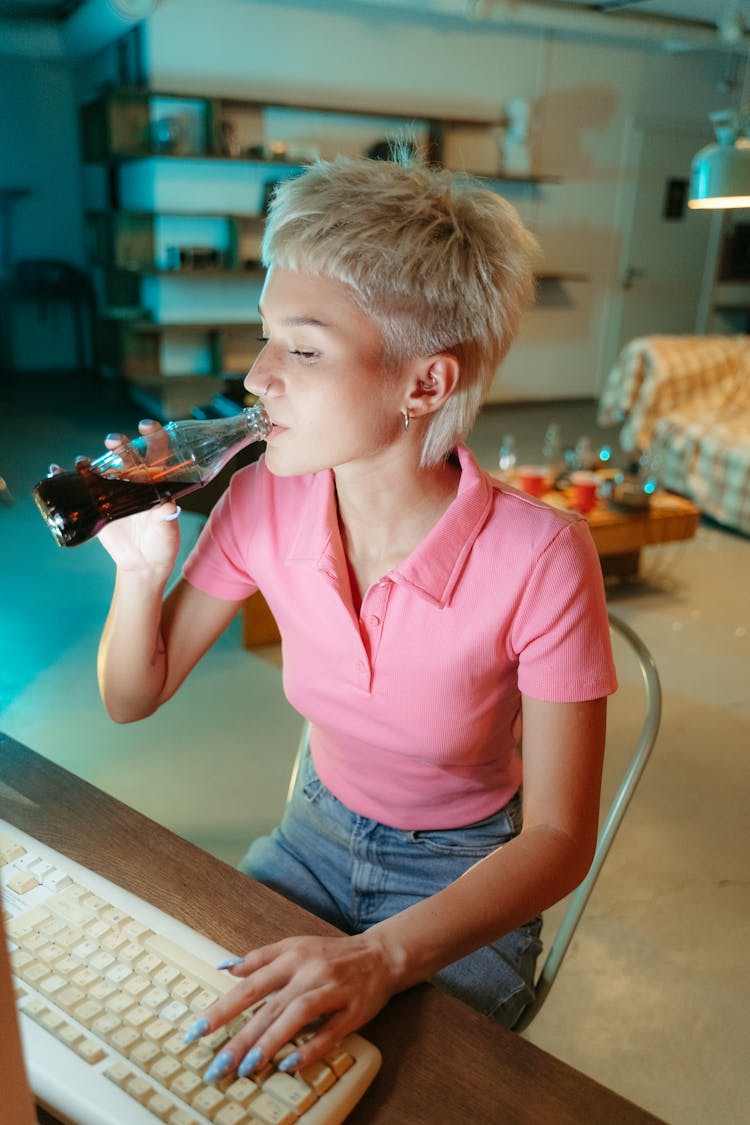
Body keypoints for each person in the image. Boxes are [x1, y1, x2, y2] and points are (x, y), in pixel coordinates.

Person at [96, 155, 618, 1087]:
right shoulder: (262, 501)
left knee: (383, 1084)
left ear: (424, 385)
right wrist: (140, 570)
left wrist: (382, 954)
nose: (256, 378)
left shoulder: (542, 556)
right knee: (194, 1041)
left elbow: (559, 840)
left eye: (301, 350)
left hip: (463, 877)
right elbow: (132, 698)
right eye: (263, 338)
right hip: (312, 836)